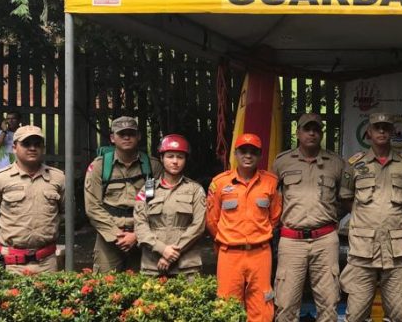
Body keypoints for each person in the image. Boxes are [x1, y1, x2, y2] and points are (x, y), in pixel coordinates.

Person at [339, 112, 402, 322]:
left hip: (396, 251)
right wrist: (365, 216)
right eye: (377, 127)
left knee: (399, 315)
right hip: (363, 251)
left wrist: (397, 216)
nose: (382, 131)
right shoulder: (355, 164)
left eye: (386, 127)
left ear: (392, 132)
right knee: (356, 314)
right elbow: (346, 198)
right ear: (369, 133)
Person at [272, 113, 345, 322]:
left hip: (325, 240)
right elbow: (270, 196)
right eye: (307, 129)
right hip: (291, 240)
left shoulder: (335, 163)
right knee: (285, 304)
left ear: (321, 133)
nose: (312, 133)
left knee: (329, 303)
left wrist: (329, 215)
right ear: (298, 132)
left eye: (316, 129)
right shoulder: (282, 162)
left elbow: (346, 198)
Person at [207, 133, 282, 321]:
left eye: (253, 152)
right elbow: (212, 221)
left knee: (262, 304)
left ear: (260, 156)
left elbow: (275, 218)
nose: (248, 156)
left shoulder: (270, 182)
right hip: (229, 253)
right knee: (227, 305)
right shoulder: (220, 183)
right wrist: (228, 240)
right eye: (243, 151)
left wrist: (257, 235)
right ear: (235, 153)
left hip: (260, 254)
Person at [0, 125, 65, 274]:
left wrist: (46, 229)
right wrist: (8, 230)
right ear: (15, 147)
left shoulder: (58, 178)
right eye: (26, 144)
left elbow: (67, 214)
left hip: (47, 263)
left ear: (43, 148)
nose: (32, 148)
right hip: (12, 264)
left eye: (37, 144)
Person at [84, 116, 162, 272]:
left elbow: (157, 205)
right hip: (109, 235)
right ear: (113, 138)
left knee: (145, 286)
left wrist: (137, 236)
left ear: (139, 136)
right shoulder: (99, 167)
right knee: (105, 286)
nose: (126, 137)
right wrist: (117, 235)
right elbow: (92, 207)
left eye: (131, 133)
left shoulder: (152, 167)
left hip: (143, 234)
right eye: (121, 134)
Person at [133, 134, 206, 276]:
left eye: (180, 157)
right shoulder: (148, 189)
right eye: (170, 156)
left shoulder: (195, 189)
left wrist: (172, 253)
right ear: (161, 158)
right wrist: (162, 249)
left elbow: (198, 226)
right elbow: (140, 224)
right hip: (153, 265)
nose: (175, 161)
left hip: (186, 265)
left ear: (185, 160)